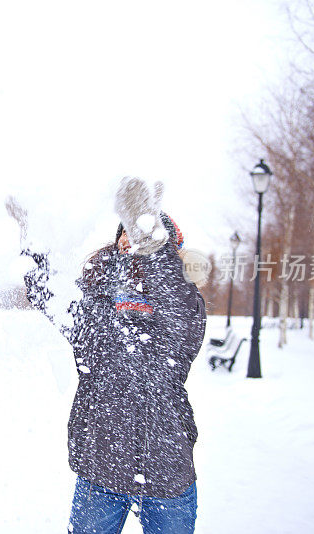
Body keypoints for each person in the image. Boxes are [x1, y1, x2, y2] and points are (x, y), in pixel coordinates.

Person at [22, 183, 206, 534]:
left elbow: (176, 310)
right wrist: (33, 247)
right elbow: (52, 297)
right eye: (126, 231)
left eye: (141, 233)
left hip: (167, 467)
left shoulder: (184, 304)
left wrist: (150, 243)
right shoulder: (96, 302)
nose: (129, 239)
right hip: (101, 468)